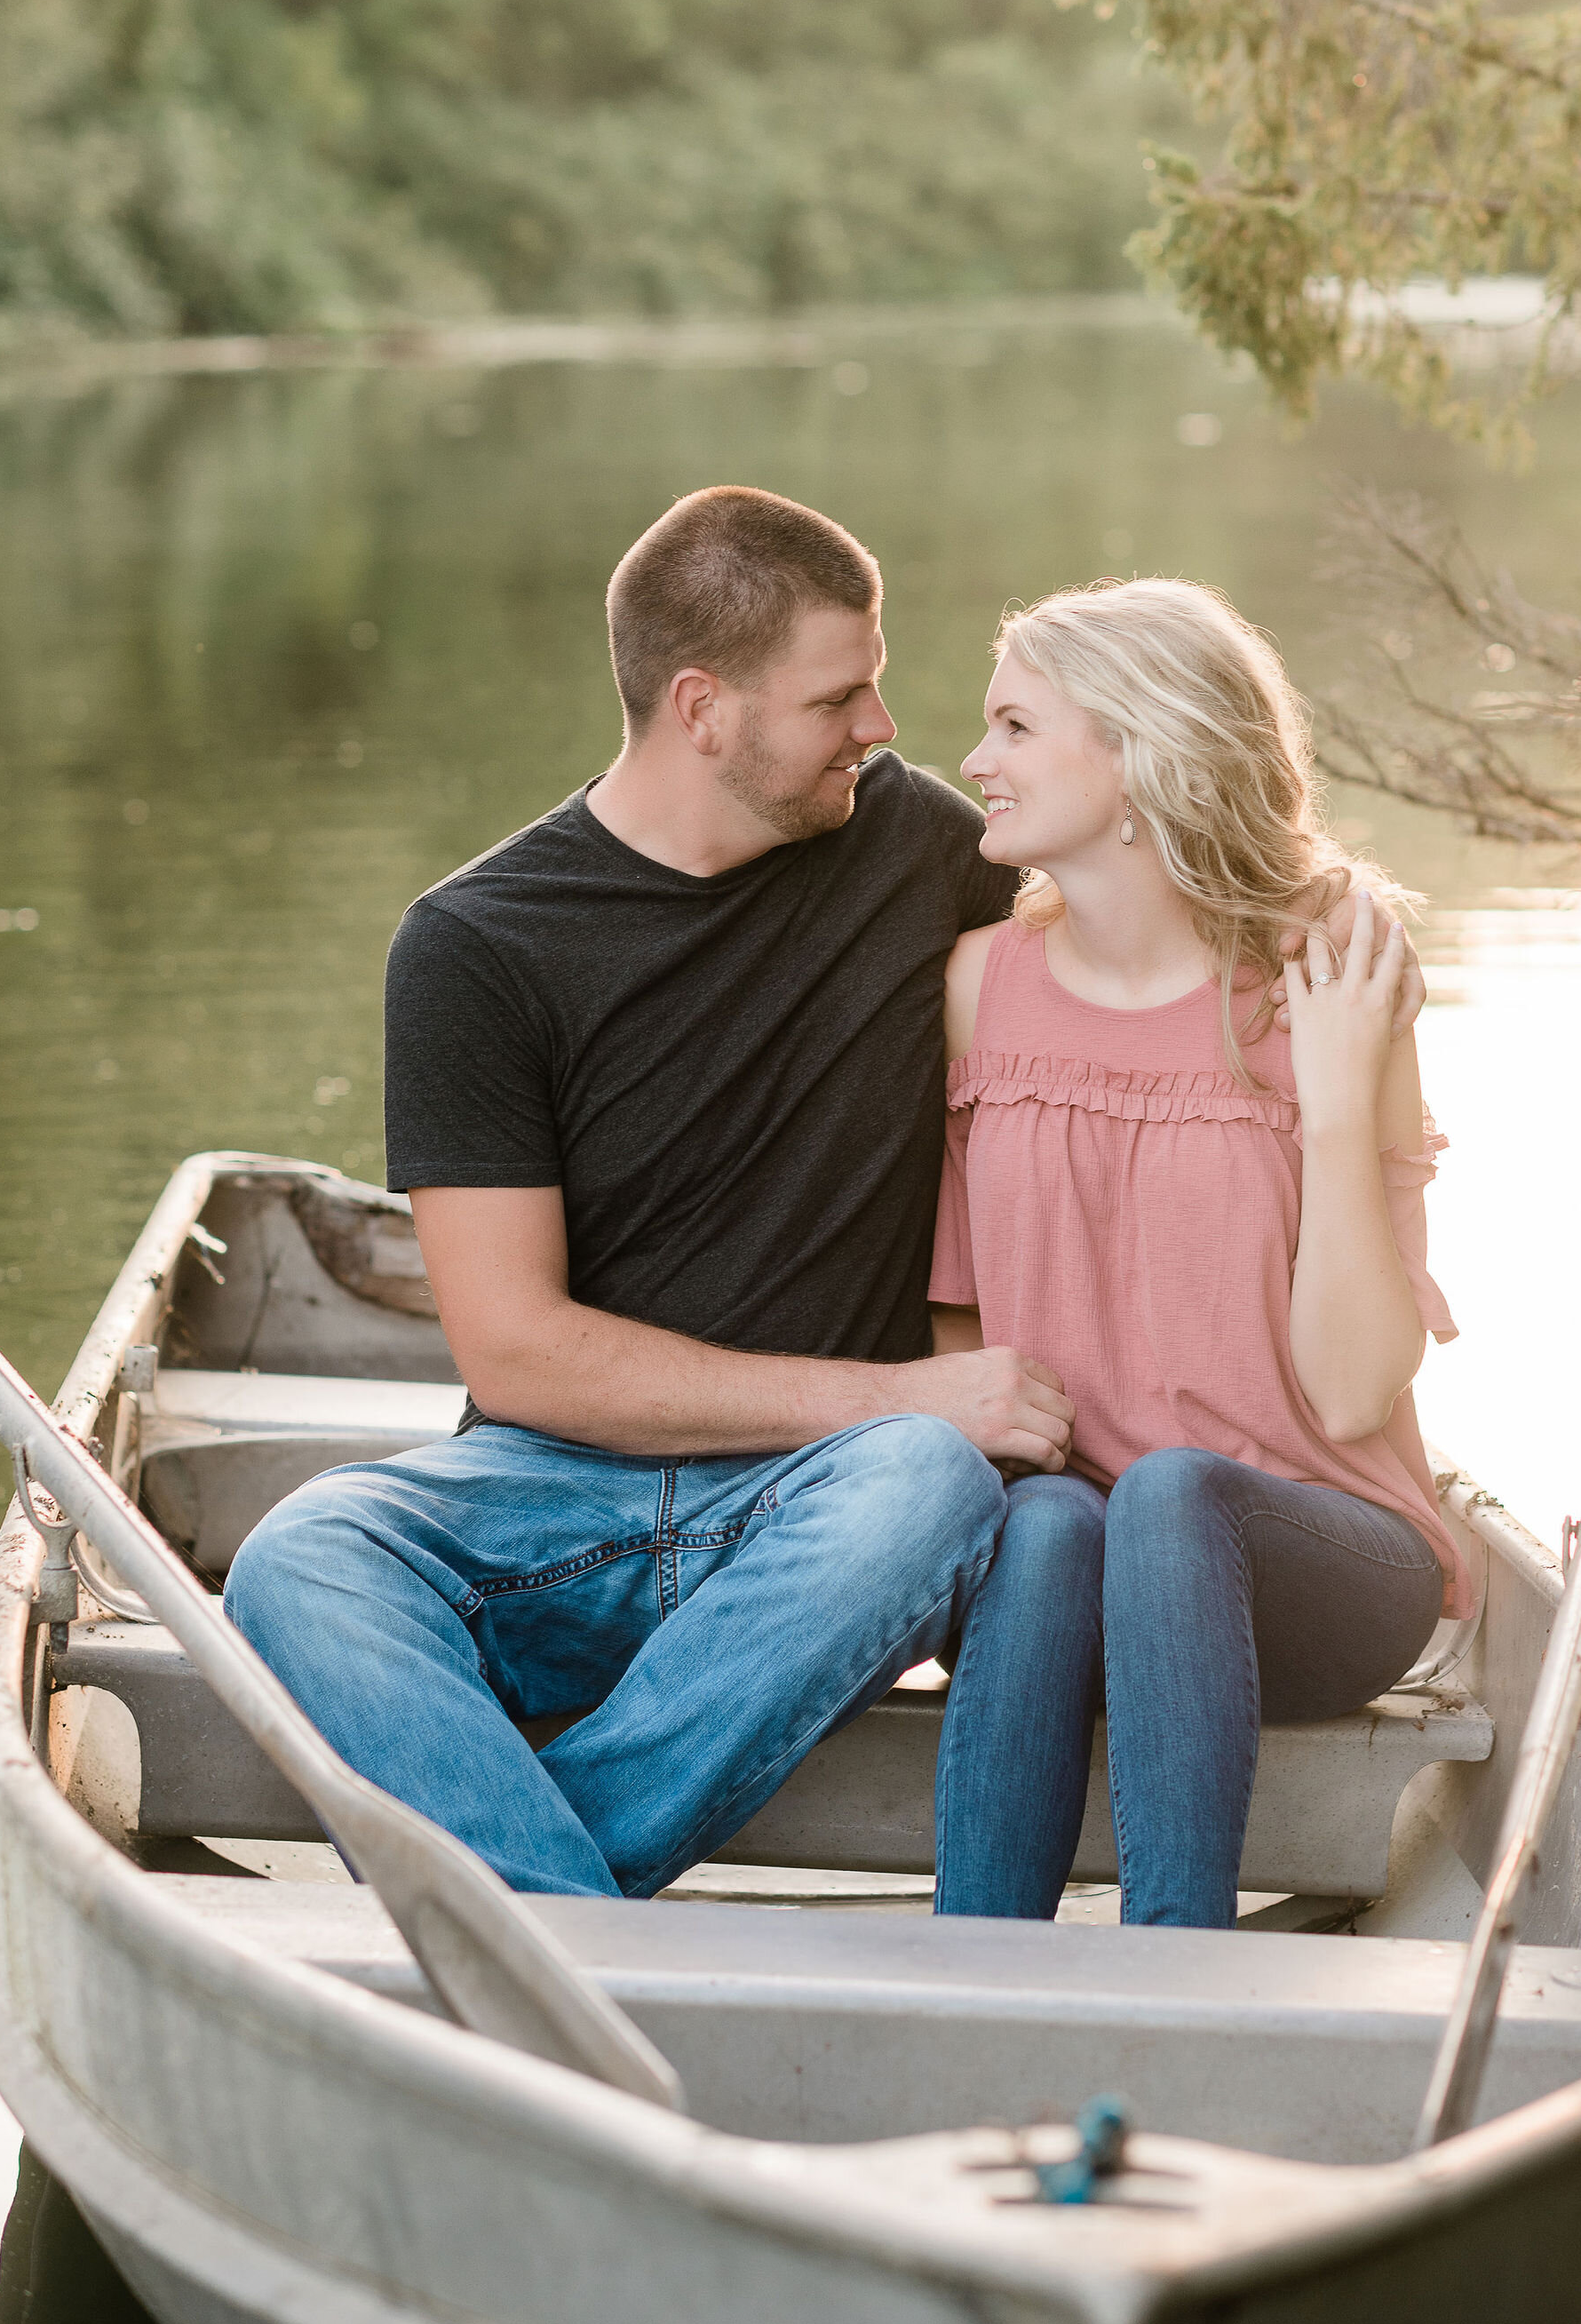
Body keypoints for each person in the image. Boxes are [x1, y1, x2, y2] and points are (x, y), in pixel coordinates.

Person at [226, 486, 1077, 1898]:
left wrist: (1323, 921)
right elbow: (516, 1352)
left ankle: (530, 1922)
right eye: (840, 695)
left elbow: (1148, 931)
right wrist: (893, 1394)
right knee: (300, 1555)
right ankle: (578, 1925)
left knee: (936, 1482)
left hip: (832, 1521)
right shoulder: (475, 947)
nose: (882, 725)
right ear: (703, 708)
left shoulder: (923, 852)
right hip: (549, 1498)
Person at [927, 576, 1468, 1930]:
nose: (974, 764)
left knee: (1169, 1494)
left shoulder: (1323, 987)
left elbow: (1350, 1397)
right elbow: (965, 1335)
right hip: (1080, 1590)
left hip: (1324, 1568)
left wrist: (1337, 1107)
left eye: (1013, 726)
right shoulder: (980, 986)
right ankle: (965, 1981)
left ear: (1135, 754)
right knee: (1049, 1519)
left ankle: (1181, 1968)